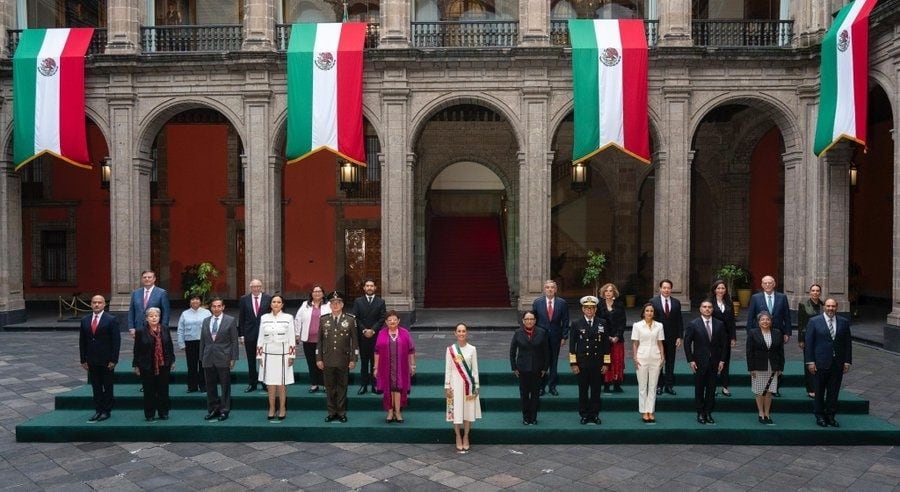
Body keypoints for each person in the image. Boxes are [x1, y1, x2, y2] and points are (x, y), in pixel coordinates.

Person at [804, 298, 852, 428]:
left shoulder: (844, 322)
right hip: (820, 363)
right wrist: (810, 361)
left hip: (837, 364)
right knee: (819, 391)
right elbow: (809, 344)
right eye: (828, 306)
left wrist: (847, 361)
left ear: (837, 307)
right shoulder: (814, 322)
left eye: (833, 306)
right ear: (824, 307)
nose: (830, 308)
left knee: (833, 391)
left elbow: (847, 343)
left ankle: (831, 416)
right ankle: (819, 416)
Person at [746, 275, 792, 397]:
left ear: (774, 284)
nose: (767, 285)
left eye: (770, 283)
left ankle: (775, 388)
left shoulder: (782, 297)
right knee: (761, 358)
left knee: (776, 358)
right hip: (759, 333)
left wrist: (787, 332)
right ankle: (761, 387)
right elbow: (750, 316)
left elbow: (787, 316)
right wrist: (750, 333)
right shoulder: (756, 297)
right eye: (765, 283)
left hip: (777, 333)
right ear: (762, 285)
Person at [316, 291, 359, 423]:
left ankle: (341, 412)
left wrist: (353, 359)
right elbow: (319, 341)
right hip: (327, 359)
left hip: (343, 359)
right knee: (329, 387)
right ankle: (331, 412)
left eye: (338, 303)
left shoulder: (350, 320)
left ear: (342, 304)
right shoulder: (324, 319)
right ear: (329, 305)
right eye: (333, 303)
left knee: (342, 386)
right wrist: (318, 358)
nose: (335, 305)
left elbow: (355, 342)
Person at [683, 299, 728, 425]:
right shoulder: (693, 324)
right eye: (704, 307)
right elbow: (687, 343)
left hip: (715, 362)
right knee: (699, 388)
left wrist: (722, 360)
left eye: (709, 307)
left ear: (712, 309)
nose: (707, 309)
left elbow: (724, 344)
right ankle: (700, 413)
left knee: (711, 389)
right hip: (698, 362)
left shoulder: (719, 324)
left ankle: (708, 412)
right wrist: (690, 360)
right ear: (700, 309)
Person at [569, 295, 610, 425]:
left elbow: (606, 345)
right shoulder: (576, 323)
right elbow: (572, 346)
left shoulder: (602, 323)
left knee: (596, 391)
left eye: (592, 308)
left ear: (596, 309)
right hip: (582, 363)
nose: (589, 311)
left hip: (597, 363)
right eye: (587, 308)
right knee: (583, 390)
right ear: (583, 309)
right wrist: (573, 363)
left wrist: (606, 363)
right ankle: (584, 414)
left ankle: (594, 414)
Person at [79, 295, 120, 422]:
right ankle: (98, 410)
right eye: (94, 302)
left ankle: (106, 411)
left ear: (104, 304)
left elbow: (116, 341)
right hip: (91, 359)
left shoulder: (111, 319)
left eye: (99, 302)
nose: (96, 304)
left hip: (107, 360)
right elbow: (82, 341)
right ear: (91, 304)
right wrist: (83, 359)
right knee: (95, 387)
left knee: (107, 386)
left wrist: (114, 359)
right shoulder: (85, 320)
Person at [132, 307, 175, 422]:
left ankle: (163, 412)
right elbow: (137, 349)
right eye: (151, 316)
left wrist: (172, 360)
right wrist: (136, 365)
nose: (154, 318)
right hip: (147, 366)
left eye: (156, 316)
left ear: (159, 317)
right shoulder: (140, 331)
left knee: (163, 390)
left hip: (163, 365)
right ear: (146, 318)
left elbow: (169, 345)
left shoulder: (165, 329)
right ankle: (149, 414)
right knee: (149, 391)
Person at [256, 294, 295, 420]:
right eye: (274, 301)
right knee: (270, 384)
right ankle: (272, 408)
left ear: (282, 304)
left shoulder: (288, 318)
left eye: (279, 302)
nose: (276, 304)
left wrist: (292, 355)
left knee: (281, 384)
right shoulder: (264, 318)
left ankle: (282, 408)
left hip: (283, 355)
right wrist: (259, 356)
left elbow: (292, 337)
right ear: (270, 304)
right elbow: (260, 337)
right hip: (268, 355)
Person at [200, 298, 239, 422]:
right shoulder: (206, 321)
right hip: (208, 358)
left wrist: (233, 358)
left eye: (218, 306)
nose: (216, 308)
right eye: (214, 306)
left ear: (223, 307)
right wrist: (201, 357)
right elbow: (203, 341)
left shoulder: (230, 320)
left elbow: (234, 341)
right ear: (210, 308)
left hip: (224, 357)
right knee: (210, 386)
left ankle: (224, 410)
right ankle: (213, 409)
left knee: (225, 386)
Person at [373, 310, 415, 423]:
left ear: (399, 321)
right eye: (389, 320)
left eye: (394, 320)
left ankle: (398, 412)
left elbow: (411, 350)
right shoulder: (381, 333)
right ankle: (390, 412)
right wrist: (375, 368)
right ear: (386, 322)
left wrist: (413, 365)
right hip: (385, 367)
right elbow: (376, 351)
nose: (392, 322)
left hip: (401, 367)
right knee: (389, 389)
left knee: (398, 389)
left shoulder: (405, 333)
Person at [444, 323, 481, 452]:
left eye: (463, 331)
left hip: (469, 386)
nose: (461, 333)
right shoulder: (450, 350)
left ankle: (466, 436)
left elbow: (475, 370)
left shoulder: (472, 349)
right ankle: (458, 436)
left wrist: (476, 386)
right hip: (455, 384)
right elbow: (448, 369)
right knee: (456, 412)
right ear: (455, 333)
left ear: (467, 333)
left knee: (468, 412)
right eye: (459, 331)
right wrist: (447, 386)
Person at [509, 310, 549, 425]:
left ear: (535, 320)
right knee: (524, 394)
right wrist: (514, 367)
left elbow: (546, 352)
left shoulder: (542, 332)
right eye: (527, 319)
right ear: (523, 321)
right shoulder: (518, 333)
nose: (529, 321)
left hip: (537, 369)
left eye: (531, 319)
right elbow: (512, 351)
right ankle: (526, 417)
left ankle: (533, 417)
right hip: (522, 369)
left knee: (535, 394)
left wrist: (545, 368)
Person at [532, 280, 569, 396]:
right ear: (544, 289)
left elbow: (566, 320)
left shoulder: (562, 303)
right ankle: (541, 387)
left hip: (556, 337)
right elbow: (534, 320)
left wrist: (564, 336)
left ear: (556, 289)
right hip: (541, 337)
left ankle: (552, 386)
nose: (550, 289)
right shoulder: (537, 302)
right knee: (541, 362)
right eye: (547, 287)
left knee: (554, 362)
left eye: (552, 287)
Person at [746, 312, 784, 425]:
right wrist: (751, 368)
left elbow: (781, 352)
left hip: (773, 367)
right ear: (758, 322)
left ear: (771, 321)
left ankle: (767, 413)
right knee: (759, 391)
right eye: (762, 319)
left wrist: (780, 367)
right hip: (758, 366)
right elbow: (749, 352)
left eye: (768, 319)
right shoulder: (753, 333)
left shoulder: (777, 333)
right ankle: (761, 413)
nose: (765, 321)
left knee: (769, 391)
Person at [352, 279, 386, 395]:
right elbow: (355, 318)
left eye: (371, 286)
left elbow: (382, 318)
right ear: (364, 288)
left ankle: (375, 385)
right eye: (367, 286)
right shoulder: (358, 301)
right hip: (363, 335)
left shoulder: (380, 302)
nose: (369, 288)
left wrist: (373, 330)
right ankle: (363, 385)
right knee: (364, 361)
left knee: (375, 361)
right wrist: (364, 330)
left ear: (375, 288)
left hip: (376, 336)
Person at [631, 303, 664, 423]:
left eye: (651, 311)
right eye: (647, 311)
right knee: (643, 386)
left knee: (653, 386)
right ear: (643, 312)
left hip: (655, 357)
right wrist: (635, 357)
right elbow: (635, 343)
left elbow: (660, 343)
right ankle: (644, 411)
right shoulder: (637, 325)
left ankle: (650, 410)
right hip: (641, 357)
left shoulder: (659, 326)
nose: (649, 313)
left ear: (654, 313)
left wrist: (662, 357)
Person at [294, 284, 330, 393]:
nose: (317, 293)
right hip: (309, 339)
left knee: (323, 362)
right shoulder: (305, 305)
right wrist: (297, 334)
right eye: (315, 291)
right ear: (311, 294)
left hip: (324, 339)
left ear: (323, 294)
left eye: (319, 291)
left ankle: (324, 384)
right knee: (311, 362)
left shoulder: (328, 305)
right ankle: (314, 384)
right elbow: (297, 319)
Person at [650, 279, 682, 395]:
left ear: (671, 289)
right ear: (660, 289)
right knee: (658, 362)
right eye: (664, 288)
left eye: (668, 288)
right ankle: (659, 385)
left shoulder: (676, 303)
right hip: (657, 338)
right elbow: (649, 319)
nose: (666, 290)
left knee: (670, 362)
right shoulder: (653, 302)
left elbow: (679, 320)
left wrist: (679, 336)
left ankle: (669, 385)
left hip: (672, 337)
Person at [239, 279, 271, 393]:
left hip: (265, 334)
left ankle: (265, 382)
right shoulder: (244, 299)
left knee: (263, 359)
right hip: (249, 334)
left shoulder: (268, 298)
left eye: (258, 286)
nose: (256, 288)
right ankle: (252, 383)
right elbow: (241, 318)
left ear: (261, 287)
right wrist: (241, 335)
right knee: (251, 360)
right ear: (250, 287)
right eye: (254, 286)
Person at [176, 294, 211, 393]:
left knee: (202, 365)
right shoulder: (185, 314)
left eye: (197, 299)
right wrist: (181, 343)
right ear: (190, 301)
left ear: (200, 301)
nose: (195, 301)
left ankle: (203, 386)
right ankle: (192, 386)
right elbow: (180, 329)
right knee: (191, 365)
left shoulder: (207, 312)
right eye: (193, 299)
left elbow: (211, 328)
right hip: (190, 343)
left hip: (203, 342)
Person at [710, 280, 737, 397]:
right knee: (713, 362)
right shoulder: (709, 302)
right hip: (713, 336)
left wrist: (733, 337)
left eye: (723, 288)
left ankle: (725, 387)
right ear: (714, 290)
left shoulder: (729, 302)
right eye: (718, 288)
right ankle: (713, 386)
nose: (721, 290)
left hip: (726, 337)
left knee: (725, 361)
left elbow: (732, 322)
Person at [797, 283, 824, 398]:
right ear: (810, 292)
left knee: (820, 363)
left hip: (822, 338)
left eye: (817, 291)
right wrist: (801, 340)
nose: (815, 292)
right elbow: (801, 323)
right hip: (808, 338)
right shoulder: (803, 305)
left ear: (820, 292)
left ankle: (819, 387)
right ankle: (810, 388)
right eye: (813, 290)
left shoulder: (824, 305)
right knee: (809, 362)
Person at [599, 283, 626, 393]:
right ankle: (606, 384)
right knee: (606, 361)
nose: (608, 293)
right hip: (604, 340)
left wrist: (617, 336)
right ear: (603, 293)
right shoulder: (599, 305)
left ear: (614, 292)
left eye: (610, 291)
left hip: (617, 340)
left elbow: (622, 322)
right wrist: (607, 337)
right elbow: (598, 323)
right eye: (606, 291)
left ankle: (617, 384)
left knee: (617, 361)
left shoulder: (619, 304)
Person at [127, 270, 170, 338]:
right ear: (142, 279)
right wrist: (131, 327)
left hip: (155, 329)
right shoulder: (135, 293)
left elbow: (166, 313)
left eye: (149, 277)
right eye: (144, 277)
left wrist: (163, 329)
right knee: (139, 348)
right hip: (139, 329)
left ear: (154, 279)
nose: (147, 279)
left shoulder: (162, 293)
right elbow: (131, 311)